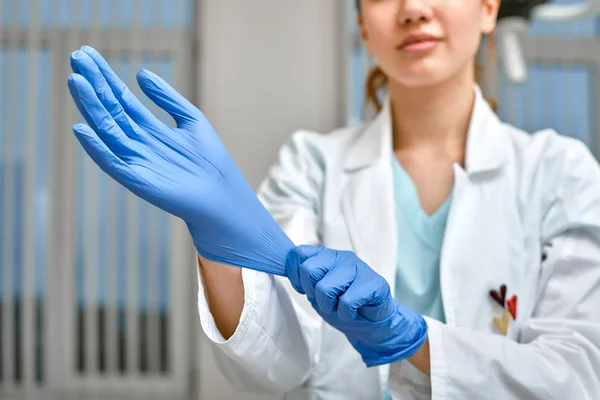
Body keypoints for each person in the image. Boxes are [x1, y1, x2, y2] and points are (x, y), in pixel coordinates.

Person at [66, 0, 600, 398]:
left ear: (488, 8)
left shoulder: (561, 173)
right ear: (363, 23)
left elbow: (578, 375)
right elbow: (273, 364)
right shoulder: (311, 164)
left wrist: (410, 339)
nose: (413, 9)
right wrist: (219, 245)